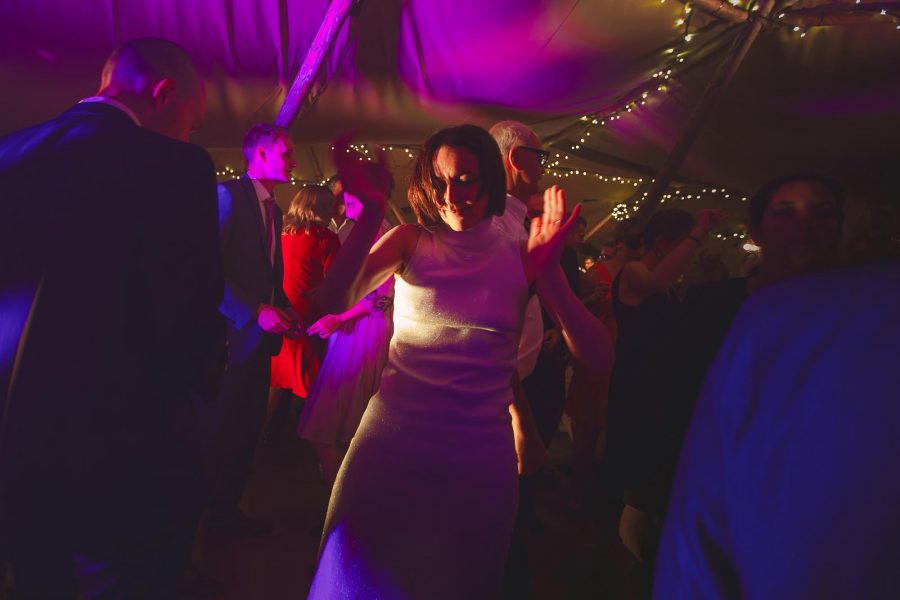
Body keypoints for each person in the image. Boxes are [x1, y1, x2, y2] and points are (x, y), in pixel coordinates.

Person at [307, 125, 613, 599]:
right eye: (441, 180)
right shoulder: (411, 241)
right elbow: (333, 299)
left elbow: (599, 355)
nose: (452, 195)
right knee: (361, 578)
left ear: (490, 179)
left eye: (466, 178)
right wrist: (369, 213)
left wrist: (550, 274)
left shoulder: (522, 254)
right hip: (390, 446)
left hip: (475, 462)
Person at [0, 38, 222, 598]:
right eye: (190, 122)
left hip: (16, 455)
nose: (189, 134)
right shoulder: (173, 166)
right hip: (122, 458)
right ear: (165, 95)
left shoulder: (11, 153)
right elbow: (188, 322)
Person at [655, 261, 900, 598]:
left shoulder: (790, 320)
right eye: (785, 210)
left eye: (823, 210)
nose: (806, 225)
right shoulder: (763, 319)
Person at [604, 207, 725, 597]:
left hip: (656, 386)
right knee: (634, 467)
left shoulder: (663, 280)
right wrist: (700, 231)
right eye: (681, 241)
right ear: (662, 242)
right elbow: (656, 283)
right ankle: (619, 557)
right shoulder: (636, 272)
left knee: (649, 466)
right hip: (636, 384)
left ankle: (635, 548)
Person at [205, 123, 298, 538]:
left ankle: (227, 515)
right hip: (226, 341)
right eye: (287, 153)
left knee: (245, 434)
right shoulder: (228, 196)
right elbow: (204, 270)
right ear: (259, 154)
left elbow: (268, 276)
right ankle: (206, 524)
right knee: (221, 435)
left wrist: (286, 308)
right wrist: (253, 311)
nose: (293, 161)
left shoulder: (274, 209)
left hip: (257, 342)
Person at [301, 192, 395, 487]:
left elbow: (381, 296)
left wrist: (339, 318)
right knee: (338, 430)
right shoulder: (364, 229)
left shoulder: (378, 232)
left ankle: (344, 507)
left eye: (352, 196)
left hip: (363, 331)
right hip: (353, 329)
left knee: (334, 429)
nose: (345, 201)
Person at [565, 218, 644, 510]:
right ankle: (577, 490)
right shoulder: (596, 273)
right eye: (635, 247)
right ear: (622, 246)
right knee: (587, 425)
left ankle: (603, 492)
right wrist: (590, 298)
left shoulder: (640, 275)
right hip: (598, 353)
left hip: (625, 354)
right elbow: (573, 311)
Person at [265, 185, 341, 444]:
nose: (334, 209)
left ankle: (256, 444)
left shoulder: (281, 234)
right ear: (320, 208)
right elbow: (336, 283)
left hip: (283, 312)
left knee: (276, 382)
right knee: (314, 384)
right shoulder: (326, 238)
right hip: (310, 316)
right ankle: (318, 445)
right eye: (330, 204)